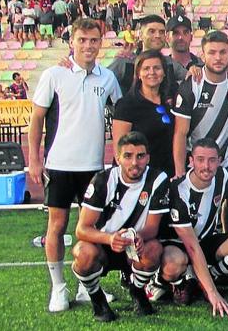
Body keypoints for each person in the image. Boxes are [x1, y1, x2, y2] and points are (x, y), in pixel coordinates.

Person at [27, 19, 122, 312]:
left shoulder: (108, 78)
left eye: (94, 40)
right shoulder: (55, 74)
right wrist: (34, 158)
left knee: (90, 227)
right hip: (59, 164)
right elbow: (37, 119)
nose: (88, 46)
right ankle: (58, 288)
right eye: (82, 40)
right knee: (57, 226)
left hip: (93, 167)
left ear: (100, 43)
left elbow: (121, 113)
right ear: (72, 41)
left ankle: (86, 285)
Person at [71, 132, 170, 322]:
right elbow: (82, 229)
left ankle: (137, 291)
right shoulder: (102, 180)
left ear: (148, 158)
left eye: (140, 156)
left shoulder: (158, 180)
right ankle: (96, 298)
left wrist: (139, 236)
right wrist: (110, 238)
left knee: (154, 249)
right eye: (128, 156)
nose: (135, 162)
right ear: (118, 158)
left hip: (134, 246)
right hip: (103, 245)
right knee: (83, 252)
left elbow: (152, 228)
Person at [156, 139, 228, 315]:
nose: (206, 166)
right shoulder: (178, 190)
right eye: (200, 159)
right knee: (173, 264)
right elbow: (192, 247)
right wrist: (213, 294)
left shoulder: (223, 177)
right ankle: (178, 283)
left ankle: (208, 276)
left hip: (205, 240)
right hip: (179, 245)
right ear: (191, 161)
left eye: (212, 160)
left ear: (220, 160)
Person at [171, 30, 228, 177]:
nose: (218, 58)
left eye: (223, 52)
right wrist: (179, 172)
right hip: (194, 167)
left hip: (222, 167)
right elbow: (180, 133)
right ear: (202, 56)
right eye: (212, 53)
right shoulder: (192, 85)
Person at [112, 49, 177, 176]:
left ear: (164, 73)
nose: (152, 72)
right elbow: (119, 150)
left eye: (157, 68)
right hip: (139, 176)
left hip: (165, 174)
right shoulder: (127, 104)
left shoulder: (169, 103)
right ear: (138, 74)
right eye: (146, 68)